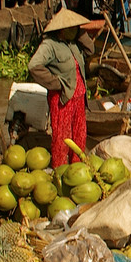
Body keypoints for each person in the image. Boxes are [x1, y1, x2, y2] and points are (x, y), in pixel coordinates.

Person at [28, 9, 102, 167]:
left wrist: (81, 33)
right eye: (71, 28)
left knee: (79, 133)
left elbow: (91, 50)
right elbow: (34, 66)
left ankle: (77, 166)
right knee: (62, 136)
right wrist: (56, 83)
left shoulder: (74, 43)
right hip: (63, 97)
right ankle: (59, 167)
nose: (74, 30)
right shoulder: (50, 44)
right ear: (62, 29)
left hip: (79, 95)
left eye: (76, 27)